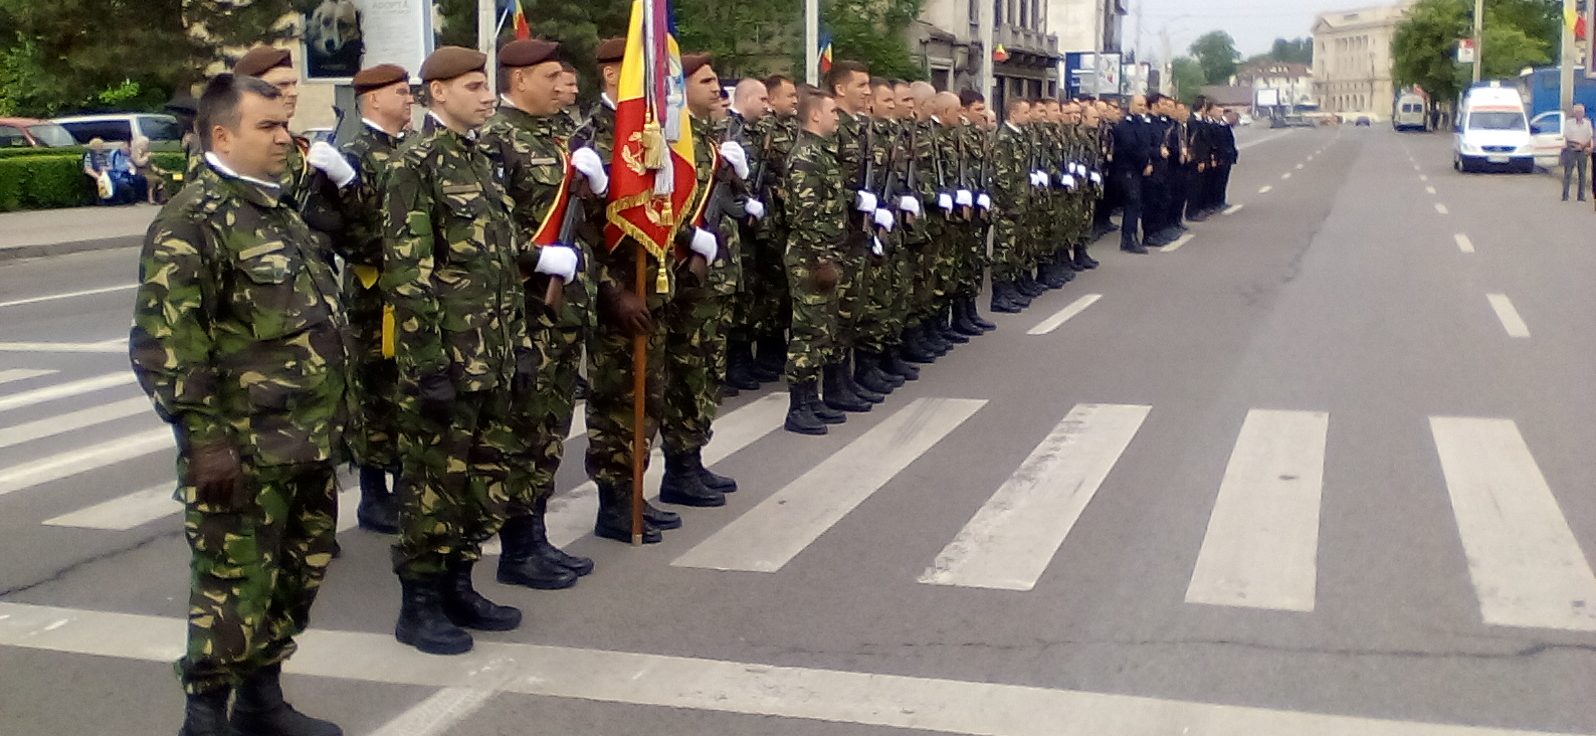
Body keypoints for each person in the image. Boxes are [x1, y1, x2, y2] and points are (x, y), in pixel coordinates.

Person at [129, 73, 347, 736]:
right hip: (246, 452)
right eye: (269, 126)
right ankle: (205, 718)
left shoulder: (274, 208)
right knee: (231, 594)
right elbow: (166, 342)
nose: (286, 136)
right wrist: (206, 441)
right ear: (222, 134)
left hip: (306, 441)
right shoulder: (192, 220)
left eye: (285, 125)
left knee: (293, 580)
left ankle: (261, 702)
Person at [382, 46, 529, 655]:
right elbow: (406, 272)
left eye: (487, 85)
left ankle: (459, 584)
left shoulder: (479, 156)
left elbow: (498, 266)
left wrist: (517, 347)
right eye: (474, 86)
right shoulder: (414, 161)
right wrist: (425, 365)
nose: (487, 95)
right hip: (446, 359)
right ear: (437, 93)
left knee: (485, 478)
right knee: (434, 483)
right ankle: (419, 603)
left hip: (490, 352)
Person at [480, 38, 606, 588]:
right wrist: (536, 258)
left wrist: (596, 184)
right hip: (529, 310)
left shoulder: (557, 137)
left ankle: (535, 539)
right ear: (520, 79)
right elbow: (489, 229)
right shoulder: (496, 141)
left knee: (550, 430)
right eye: (552, 76)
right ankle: (516, 547)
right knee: (524, 429)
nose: (564, 85)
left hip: (567, 312)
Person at [582, 37, 681, 544]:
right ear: (613, 76)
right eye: (647, 76)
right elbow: (582, 232)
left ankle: (634, 491)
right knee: (617, 400)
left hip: (652, 287)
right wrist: (612, 291)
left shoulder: (652, 132)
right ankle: (614, 503)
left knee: (650, 396)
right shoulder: (594, 136)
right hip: (617, 293)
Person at [331, 62, 414, 535]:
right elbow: (348, 230)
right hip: (372, 293)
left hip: (405, 292)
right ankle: (372, 492)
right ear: (372, 98)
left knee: (402, 389)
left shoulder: (402, 149)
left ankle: (401, 480)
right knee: (374, 391)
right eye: (400, 93)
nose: (408, 100)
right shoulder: (356, 152)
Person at [658, 52, 742, 508]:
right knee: (687, 374)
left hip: (718, 277)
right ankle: (679, 468)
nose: (717, 89)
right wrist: (693, 239)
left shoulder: (709, 137)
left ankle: (691, 460)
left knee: (707, 372)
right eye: (706, 81)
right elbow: (665, 206)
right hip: (689, 278)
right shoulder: (675, 140)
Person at [781, 86, 848, 434]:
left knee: (823, 329)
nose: (838, 116)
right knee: (807, 331)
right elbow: (804, 217)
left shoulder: (822, 153)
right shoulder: (806, 156)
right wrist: (821, 258)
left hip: (825, 254)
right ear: (816, 115)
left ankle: (812, 399)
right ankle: (798, 405)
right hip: (810, 257)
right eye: (833, 111)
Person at [82, 138, 127, 205]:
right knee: (103, 181)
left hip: (106, 172)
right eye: (98, 146)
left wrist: (105, 169)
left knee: (116, 181)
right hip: (96, 173)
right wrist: (98, 176)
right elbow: (88, 169)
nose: (100, 148)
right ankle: (106, 199)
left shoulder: (104, 155)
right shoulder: (89, 156)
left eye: (101, 146)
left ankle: (115, 199)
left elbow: (110, 166)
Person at [1563, 104, 1592, 202]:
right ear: (1574, 113)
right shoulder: (1568, 123)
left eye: (1581, 112)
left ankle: (1581, 196)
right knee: (1568, 173)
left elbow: (1589, 136)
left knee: (1582, 173)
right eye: (1577, 112)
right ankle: (1565, 195)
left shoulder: (1587, 123)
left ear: (1583, 113)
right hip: (1571, 147)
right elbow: (1566, 135)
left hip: (1583, 148)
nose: (1579, 114)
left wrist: (1583, 146)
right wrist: (1575, 145)